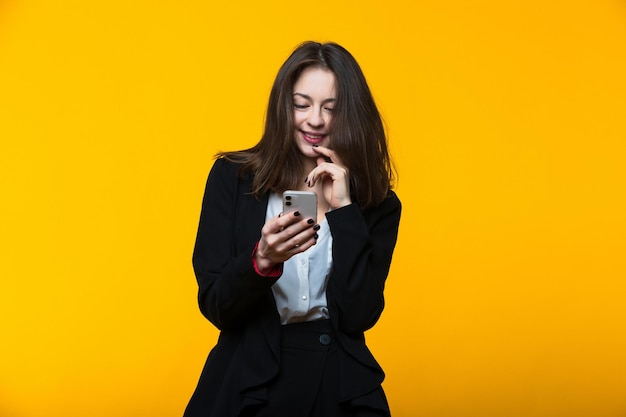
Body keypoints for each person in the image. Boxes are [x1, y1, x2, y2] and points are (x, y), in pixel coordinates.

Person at [183, 41, 402, 417]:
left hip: (338, 383)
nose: (314, 120)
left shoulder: (377, 203)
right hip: (251, 379)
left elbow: (360, 315)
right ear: (282, 107)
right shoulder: (232, 180)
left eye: (330, 108)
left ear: (350, 115)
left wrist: (344, 210)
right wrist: (262, 260)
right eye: (302, 104)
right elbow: (216, 305)